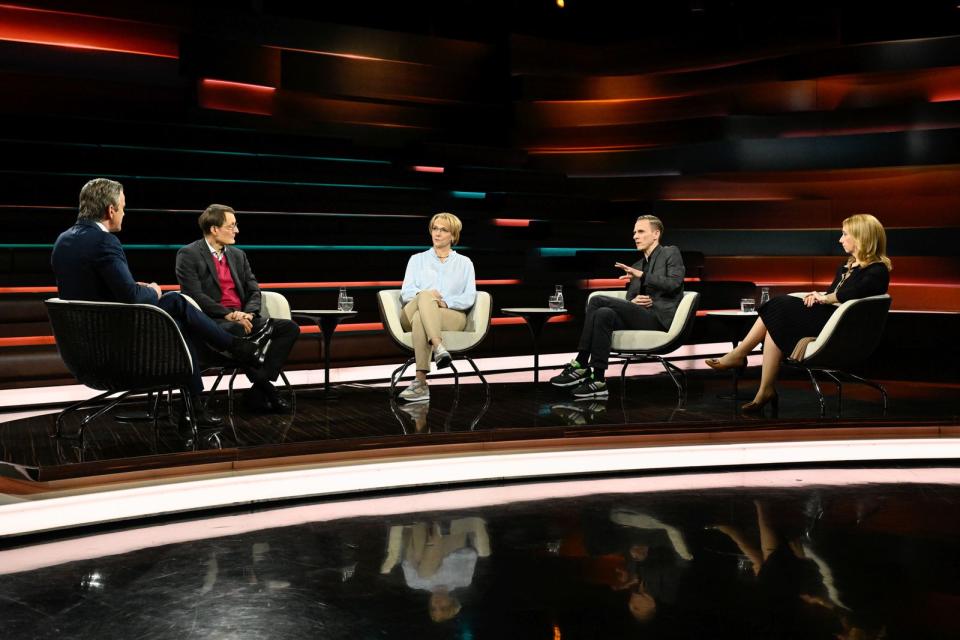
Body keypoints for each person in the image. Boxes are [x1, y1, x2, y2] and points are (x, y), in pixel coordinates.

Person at [51, 178, 267, 428]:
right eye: (122, 208)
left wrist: (133, 287)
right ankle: (234, 349)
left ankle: (195, 406)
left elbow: (90, 291)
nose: (123, 213)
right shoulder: (104, 241)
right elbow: (132, 298)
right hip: (115, 341)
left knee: (177, 320)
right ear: (111, 210)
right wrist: (153, 290)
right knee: (175, 301)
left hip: (83, 341)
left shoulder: (63, 240)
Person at [705, 214, 891, 413]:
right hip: (830, 320)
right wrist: (818, 297)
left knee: (778, 305)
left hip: (842, 330)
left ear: (861, 237)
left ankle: (740, 354)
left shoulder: (877, 270)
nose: (840, 239)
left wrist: (825, 298)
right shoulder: (847, 267)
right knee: (775, 323)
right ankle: (765, 390)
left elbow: (852, 293)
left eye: (844, 234)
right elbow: (835, 294)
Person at [175, 204, 300, 413]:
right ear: (214, 229)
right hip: (213, 322)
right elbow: (194, 295)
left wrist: (248, 313)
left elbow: (254, 290)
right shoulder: (188, 254)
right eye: (231, 225)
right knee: (238, 331)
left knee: (290, 328)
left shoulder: (238, 255)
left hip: (244, 317)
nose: (237, 230)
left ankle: (258, 390)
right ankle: (268, 391)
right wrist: (229, 314)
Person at [550, 215, 685, 399]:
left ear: (656, 234)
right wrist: (633, 301)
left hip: (659, 319)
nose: (635, 236)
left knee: (597, 300)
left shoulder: (670, 252)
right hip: (639, 316)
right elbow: (630, 298)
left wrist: (642, 276)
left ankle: (581, 362)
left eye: (641, 231)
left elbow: (674, 284)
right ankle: (598, 380)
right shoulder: (637, 265)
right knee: (604, 313)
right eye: (634, 232)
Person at [396, 212, 476, 403]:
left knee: (421, 319)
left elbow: (469, 297)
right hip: (411, 311)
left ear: (453, 236)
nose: (437, 233)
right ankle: (439, 347)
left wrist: (446, 302)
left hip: (451, 315)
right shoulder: (417, 259)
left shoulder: (465, 263)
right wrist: (428, 297)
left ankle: (420, 383)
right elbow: (406, 293)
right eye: (434, 228)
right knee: (424, 296)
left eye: (443, 230)